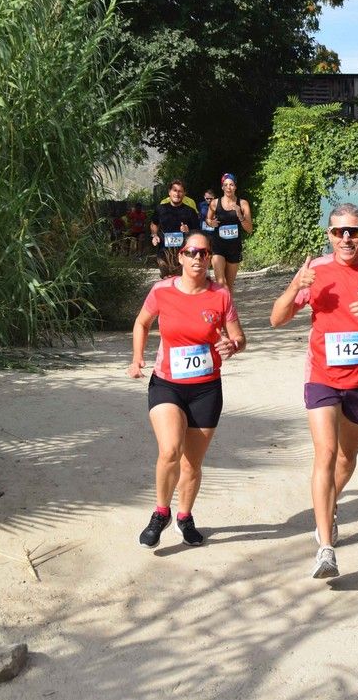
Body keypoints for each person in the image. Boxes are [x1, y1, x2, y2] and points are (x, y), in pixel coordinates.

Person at [269, 203, 358, 579]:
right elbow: (276, 318)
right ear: (329, 235)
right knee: (326, 453)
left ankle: (326, 508)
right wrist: (293, 287)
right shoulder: (314, 271)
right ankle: (326, 546)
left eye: (354, 231)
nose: (346, 238)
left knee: (346, 461)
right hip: (322, 377)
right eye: (338, 232)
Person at [128, 232, 246, 548]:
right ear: (180, 256)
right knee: (170, 450)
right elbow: (142, 323)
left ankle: (184, 517)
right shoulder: (161, 291)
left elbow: (239, 338)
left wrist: (232, 345)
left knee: (192, 464)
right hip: (167, 384)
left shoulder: (220, 295)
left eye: (203, 253)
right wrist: (137, 358)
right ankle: (160, 513)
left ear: (209, 259)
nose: (197, 258)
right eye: (191, 252)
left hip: (206, 389)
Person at [207, 173, 253, 290]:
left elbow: (249, 229)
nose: (228, 187)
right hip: (218, 246)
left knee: (229, 285)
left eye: (231, 184)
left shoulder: (243, 204)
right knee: (221, 282)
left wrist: (240, 215)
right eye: (226, 185)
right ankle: (221, 308)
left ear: (235, 187)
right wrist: (210, 223)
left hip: (234, 248)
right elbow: (208, 219)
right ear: (222, 187)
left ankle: (227, 307)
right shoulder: (214, 203)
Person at [150, 179, 199, 277]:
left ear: (184, 193)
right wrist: (154, 235)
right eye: (174, 190)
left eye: (180, 191)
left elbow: (197, 233)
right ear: (169, 192)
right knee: (166, 280)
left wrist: (188, 231)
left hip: (184, 253)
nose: (177, 194)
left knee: (180, 281)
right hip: (164, 252)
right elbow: (154, 224)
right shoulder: (160, 209)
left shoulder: (190, 212)